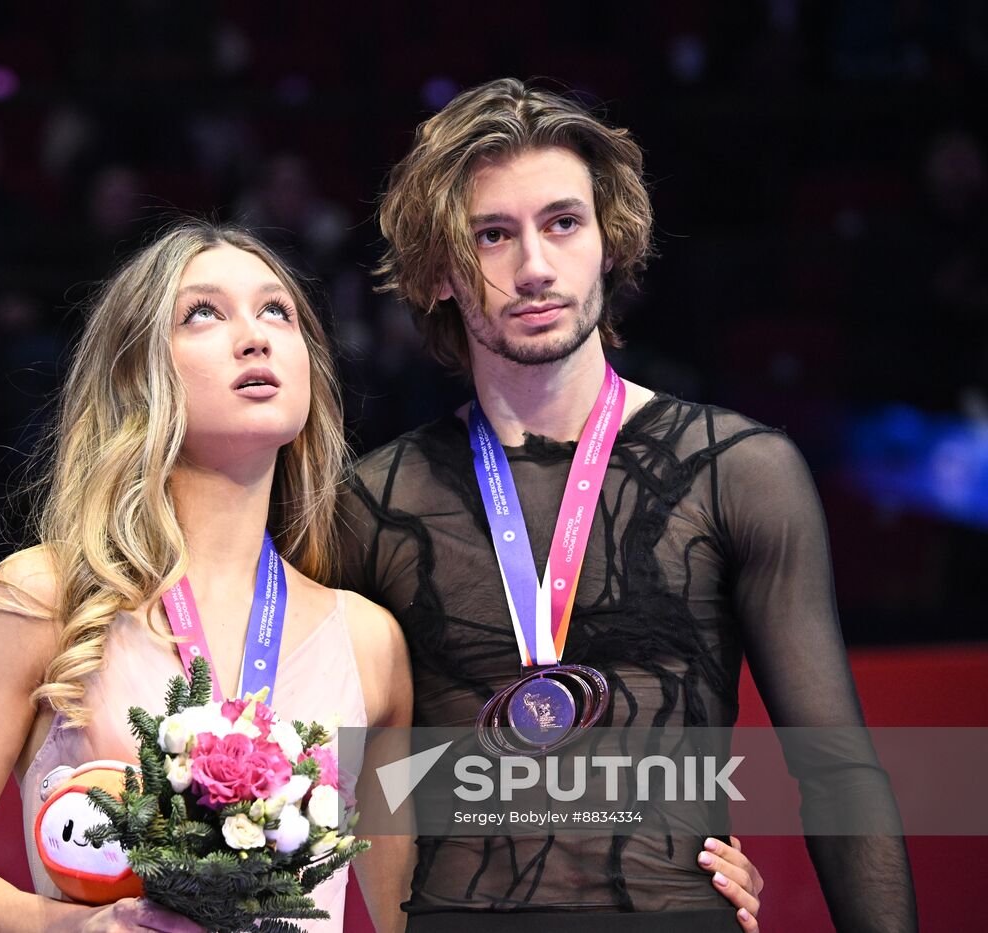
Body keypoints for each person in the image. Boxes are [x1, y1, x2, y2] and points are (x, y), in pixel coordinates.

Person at [339, 77, 916, 931]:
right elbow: (300, 761)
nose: (533, 266)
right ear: (437, 276)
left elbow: (835, 769)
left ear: (611, 241)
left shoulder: (739, 470)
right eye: (492, 235)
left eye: (563, 223)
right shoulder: (373, 501)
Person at [0, 222, 416, 932]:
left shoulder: (372, 640)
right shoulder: (45, 595)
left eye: (276, 311)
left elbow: (412, 909)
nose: (254, 337)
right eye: (203, 312)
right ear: (136, 372)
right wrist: (75, 927)